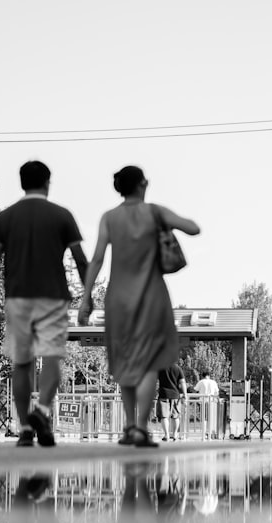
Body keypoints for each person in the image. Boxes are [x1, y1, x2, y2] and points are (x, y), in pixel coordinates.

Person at [77, 165, 199, 447]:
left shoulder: (109, 217)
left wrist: (86, 299)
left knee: (126, 363)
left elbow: (96, 260)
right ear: (143, 184)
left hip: (119, 298)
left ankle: (131, 426)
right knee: (148, 364)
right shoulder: (155, 212)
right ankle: (141, 427)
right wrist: (168, 222)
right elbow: (194, 229)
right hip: (152, 297)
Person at [0, 161, 88, 447]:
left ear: (21, 183)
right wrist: (88, 297)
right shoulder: (62, 216)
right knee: (52, 356)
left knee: (22, 363)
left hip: (17, 298)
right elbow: (80, 260)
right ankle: (42, 411)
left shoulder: (4, 218)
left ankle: (26, 428)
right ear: (48, 182)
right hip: (53, 297)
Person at [157, 362, 187, 441]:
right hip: (175, 395)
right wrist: (185, 394)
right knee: (175, 416)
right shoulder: (177, 368)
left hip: (163, 394)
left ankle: (166, 435)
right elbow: (182, 382)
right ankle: (174, 434)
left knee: (164, 416)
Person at [192, 369, 220, 439]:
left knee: (204, 418)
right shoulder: (213, 382)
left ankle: (204, 433)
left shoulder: (201, 382)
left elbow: (195, 390)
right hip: (212, 402)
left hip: (203, 402)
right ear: (209, 376)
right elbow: (217, 392)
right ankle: (211, 433)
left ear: (203, 376)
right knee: (211, 417)